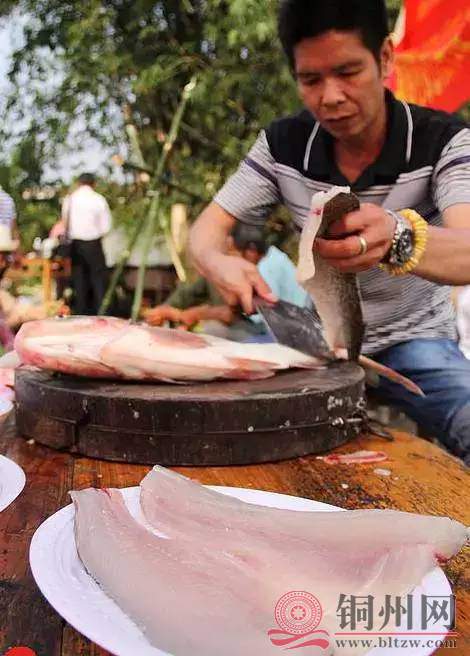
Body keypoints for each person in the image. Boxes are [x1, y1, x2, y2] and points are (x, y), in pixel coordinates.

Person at [188, 0, 470, 465]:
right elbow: (204, 233)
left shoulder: (443, 140)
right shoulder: (282, 146)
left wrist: (398, 236)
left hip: (416, 341)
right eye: (311, 80)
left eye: (348, 72)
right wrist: (218, 262)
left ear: (384, 57)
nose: (331, 96)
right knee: (198, 407)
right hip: (318, 341)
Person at [145, 223, 310, 340]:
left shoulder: (267, 268)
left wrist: (188, 315)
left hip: (286, 334)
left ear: (251, 251)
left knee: (212, 333)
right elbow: (195, 291)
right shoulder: (269, 258)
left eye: (233, 253)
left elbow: (235, 314)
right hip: (277, 328)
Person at [61, 172, 112, 315]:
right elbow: (106, 227)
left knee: (79, 281)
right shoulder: (98, 199)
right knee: (99, 281)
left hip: (76, 245)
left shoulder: (70, 199)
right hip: (94, 243)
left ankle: (80, 312)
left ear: (78, 183)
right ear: (93, 184)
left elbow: (65, 224)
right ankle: (102, 313)